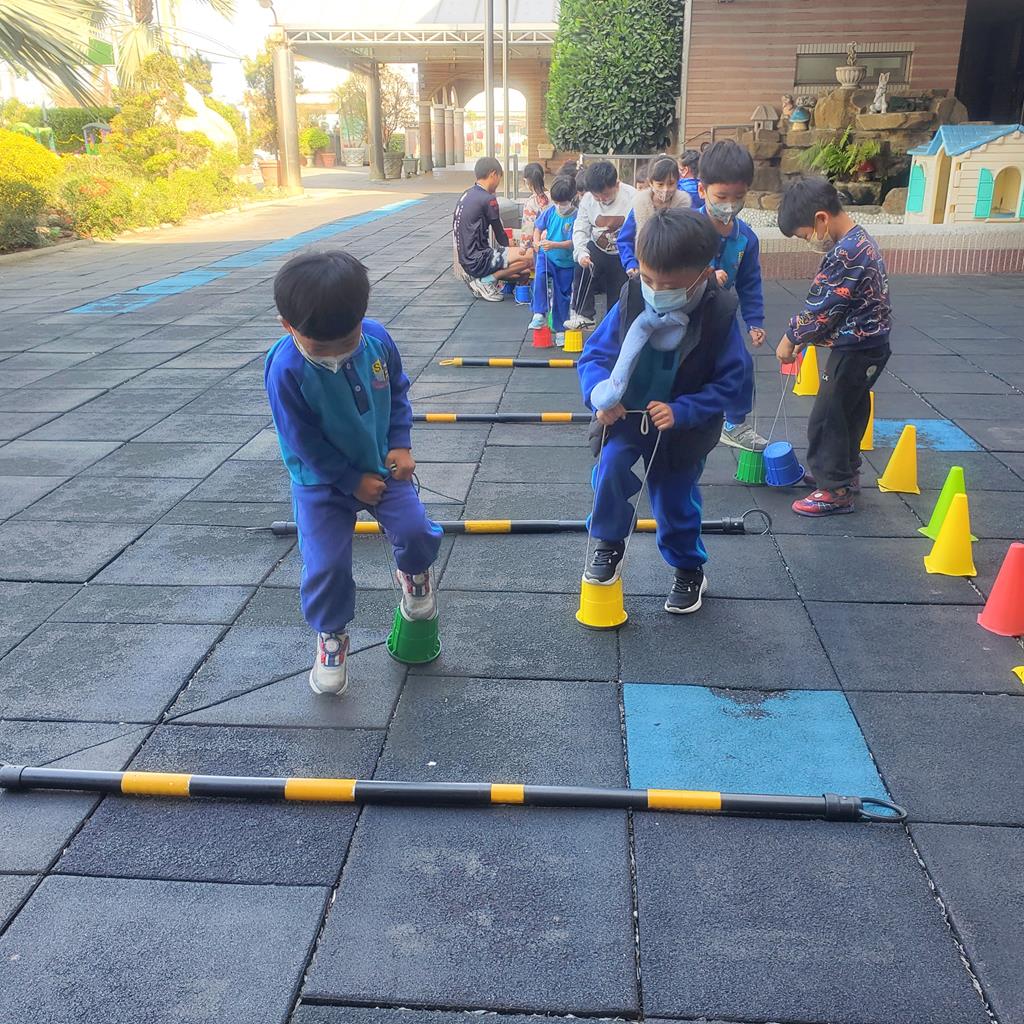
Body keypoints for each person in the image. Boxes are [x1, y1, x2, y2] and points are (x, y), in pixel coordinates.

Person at [265, 250, 444, 695]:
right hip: (321, 482)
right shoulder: (285, 369)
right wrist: (349, 481)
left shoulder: (376, 340)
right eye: (321, 347)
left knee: (416, 531)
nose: (338, 354)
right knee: (326, 565)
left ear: (361, 318)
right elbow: (302, 441)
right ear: (288, 327)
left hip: (379, 463)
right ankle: (331, 635)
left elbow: (397, 390)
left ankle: (414, 576)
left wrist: (400, 443)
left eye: (348, 341)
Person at [577, 209, 747, 614]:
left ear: (703, 275)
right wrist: (601, 398)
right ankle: (608, 543)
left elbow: (731, 383)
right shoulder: (632, 297)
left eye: (669, 286)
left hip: (681, 428)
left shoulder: (719, 314)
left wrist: (684, 410)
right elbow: (594, 357)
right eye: (649, 278)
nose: (656, 290)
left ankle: (689, 567)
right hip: (626, 417)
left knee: (673, 498)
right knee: (610, 471)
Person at [776, 176, 892, 517]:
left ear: (821, 219)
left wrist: (791, 337)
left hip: (855, 348)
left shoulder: (846, 253)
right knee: (849, 411)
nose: (809, 242)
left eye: (804, 235)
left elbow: (823, 307)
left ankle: (834, 490)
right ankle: (844, 472)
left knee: (827, 418)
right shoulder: (861, 240)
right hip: (873, 345)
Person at [697, 140, 767, 452]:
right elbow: (669, 264)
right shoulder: (688, 226)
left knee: (741, 364)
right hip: (685, 309)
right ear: (702, 190)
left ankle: (735, 423)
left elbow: (750, 282)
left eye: (738, 197)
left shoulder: (745, 238)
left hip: (722, 313)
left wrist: (755, 321)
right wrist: (706, 273)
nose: (729, 205)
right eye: (721, 197)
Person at [565, 160, 636, 331]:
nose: (601, 200)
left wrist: (634, 261)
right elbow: (580, 229)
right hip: (598, 248)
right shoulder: (588, 200)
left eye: (605, 194)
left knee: (617, 297)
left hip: (622, 253)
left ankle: (614, 327)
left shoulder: (633, 197)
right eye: (597, 196)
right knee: (583, 263)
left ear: (616, 185)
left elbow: (641, 232)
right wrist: (581, 253)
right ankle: (584, 315)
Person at [453, 156, 533, 302]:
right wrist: (517, 247)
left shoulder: (467, 194)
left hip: (466, 260)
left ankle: (482, 279)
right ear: (493, 174)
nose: (498, 183)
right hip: (480, 259)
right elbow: (501, 236)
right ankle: (485, 281)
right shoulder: (488, 199)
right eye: (499, 178)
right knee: (530, 256)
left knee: (524, 271)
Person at [617, 154, 692, 279]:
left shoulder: (683, 206)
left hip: (674, 270)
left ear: (677, 182)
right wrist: (630, 262)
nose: (666, 189)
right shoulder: (640, 205)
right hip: (644, 269)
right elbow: (624, 239)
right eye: (660, 184)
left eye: (671, 183)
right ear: (651, 183)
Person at [527, 176, 578, 343]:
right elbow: (538, 227)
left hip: (566, 262)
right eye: (557, 202)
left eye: (563, 203)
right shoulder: (550, 212)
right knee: (540, 277)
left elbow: (574, 242)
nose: (560, 206)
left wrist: (554, 244)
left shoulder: (577, 216)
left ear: (572, 198)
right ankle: (539, 313)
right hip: (547, 256)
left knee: (562, 295)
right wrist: (536, 242)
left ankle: (560, 328)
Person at [521, 161, 550, 235]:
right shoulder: (554, 196)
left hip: (537, 240)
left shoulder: (531, 203)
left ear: (526, 181)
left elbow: (528, 232)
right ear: (543, 177)